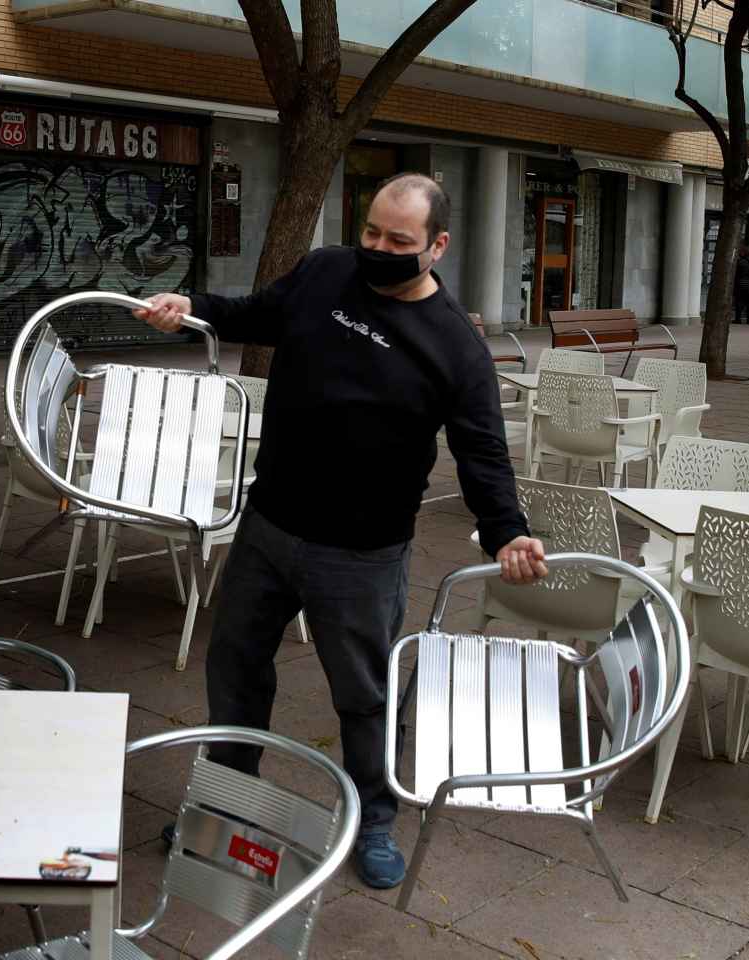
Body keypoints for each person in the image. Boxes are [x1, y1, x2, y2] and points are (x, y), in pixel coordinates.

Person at [133, 172, 549, 890]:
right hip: (270, 526)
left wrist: (507, 530)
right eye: (372, 234)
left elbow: (483, 451)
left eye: (399, 241)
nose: (378, 249)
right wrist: (192, 306)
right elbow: (257, 312)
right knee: (235, 674)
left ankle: (374, 819)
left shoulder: (454, 347)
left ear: (438, 246)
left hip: (361, 554)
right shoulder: (327, 270)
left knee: (363, 698)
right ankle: (227, 807)